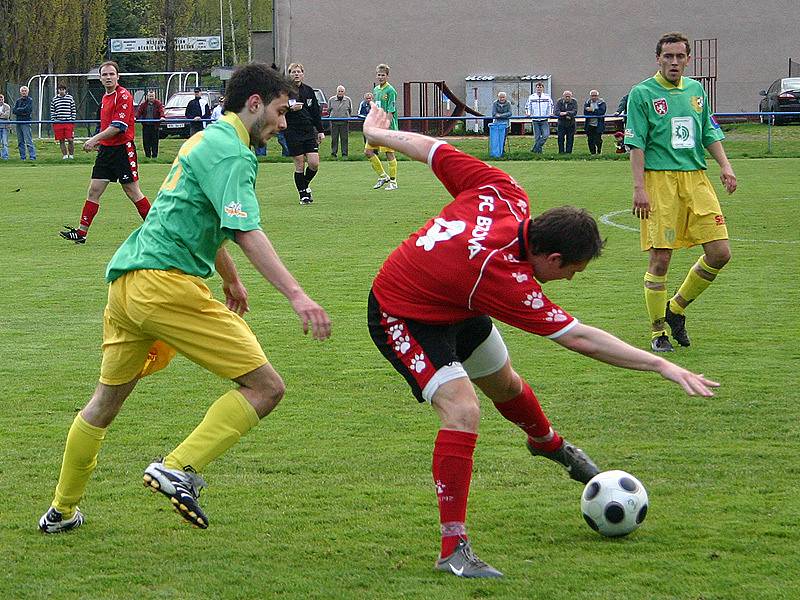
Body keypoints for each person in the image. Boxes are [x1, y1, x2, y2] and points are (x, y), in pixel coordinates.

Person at [363, 102, 720, 578]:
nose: (570, 279)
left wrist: (380, 134)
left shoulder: (505, 191)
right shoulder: (504, 277)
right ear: (551, 257)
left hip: (457, 299)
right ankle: (454, 548)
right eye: (573, 270)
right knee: (463, 410)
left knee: (506, 384)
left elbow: (435, 149)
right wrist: (660, 365)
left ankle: (549, 444)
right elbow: (582, 339)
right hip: (402, 311)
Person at [38, 62, 332, 535]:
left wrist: (231, 279)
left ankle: (61, 510)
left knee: (103, 405)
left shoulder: (205, 138)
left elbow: (196, 214)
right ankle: (178, 466)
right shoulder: (233, 154)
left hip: (127, 283)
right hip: (165, 285)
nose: (283, 123)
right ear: (254, 103)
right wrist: (297, 295)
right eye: (279, 111)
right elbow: (245, 229)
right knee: (266, 388)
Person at [625, 32, 737, 352]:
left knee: (720, 252)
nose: (674, 62)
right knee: (660, 258)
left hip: (696, 179)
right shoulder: (642, 94)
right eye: (668, 57)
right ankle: (657, 332)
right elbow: (635, 144)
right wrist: (639, 187)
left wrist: (726, 166)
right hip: (660, 182)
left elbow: (708, 131)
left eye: (680, 57)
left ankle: (676, 307)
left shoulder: (696, 90)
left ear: (688, 59)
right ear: (658, 58)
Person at [60, 61, 151, 244]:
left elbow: (118, 127)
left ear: (118, 76)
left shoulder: (123, 96)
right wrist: (100, 143)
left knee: (133, 192)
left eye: (111, 74)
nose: (108, 77)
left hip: (122, 150)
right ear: (100, 78)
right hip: (107, 151)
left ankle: (158, 231)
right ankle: (81, 232)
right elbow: (107, 126)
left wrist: (94, 139)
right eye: (104, 75)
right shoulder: (105, 97)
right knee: (94, 190)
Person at [285, 62, 325, 205]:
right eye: (293, 72)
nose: (296, 74)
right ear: (289, 74)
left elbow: (315, 112)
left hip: (308, 130)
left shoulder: (309, 91)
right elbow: (276, 108)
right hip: (292, 130)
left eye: (298, 71)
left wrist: (320, 131)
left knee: (314, 163)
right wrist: (289, 107)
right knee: (300, 163)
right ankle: (303, 195)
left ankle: (304, 184)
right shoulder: (284, 91)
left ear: (303, 74)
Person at [365, 63, 399, 190]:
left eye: (383, 75)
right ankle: (383, 176)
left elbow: (391, 110)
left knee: (389, 154)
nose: (380, 77)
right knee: (368, 151)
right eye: (379, 75)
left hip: (387, 128)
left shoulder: (391, 91)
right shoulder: (376, 90)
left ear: (387, 76)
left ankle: (393, 182)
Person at [135, 90, 165, 159]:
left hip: (155, 126)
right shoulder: (143, 104)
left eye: (152, 96)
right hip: (146, 126)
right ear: (147, 96)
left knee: (155, 142)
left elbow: (161, 111)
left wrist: (162, 117)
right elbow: (139, 112)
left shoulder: (158, 104)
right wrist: (135, 117)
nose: (151, 97)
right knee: (146, 142)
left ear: (154, 96)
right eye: (149, 96)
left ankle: (154, 156)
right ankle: (147, 156)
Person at [524, 81, 553, 153]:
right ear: (536, 88)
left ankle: (534, 149)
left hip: (544, 119)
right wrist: (528, 113)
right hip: (535, 119)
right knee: (537, 137)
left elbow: (551, 106)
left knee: (546, 135)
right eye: (538, 87)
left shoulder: (547, 97)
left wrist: (550, 113)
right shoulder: (531, 97)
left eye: (540, 87)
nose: (539, 89)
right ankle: (539, 153)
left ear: (543, 88)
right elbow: (528, 106)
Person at [50, 84, 77, 159]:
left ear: (65, 90)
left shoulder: (70, 98)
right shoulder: (54, 99)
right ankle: (65, 155)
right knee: (61, 140)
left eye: (63, 89)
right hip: (58, 122)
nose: (61, 91)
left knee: (70, 139)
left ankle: (71, 155)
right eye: (60, 89)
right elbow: (52, 111)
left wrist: (72, 119)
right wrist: (54, 120)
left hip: (68, 122)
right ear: (58, 90)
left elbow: (73, 109)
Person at [328, 85, 352, 158]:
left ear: (344, 92)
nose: (340, 93)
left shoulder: (348, 100)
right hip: (334, 122)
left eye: (342, 91)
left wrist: (346, 116)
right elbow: (329, 110)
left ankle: (344, 154)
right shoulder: (331, 100)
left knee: (344, 139)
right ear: (337, 92)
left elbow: (350, 110)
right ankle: (333, 154)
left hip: (344, 122)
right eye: (339, 91)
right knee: (334, 139)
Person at [13, 85, 37, 160]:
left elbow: (28, 110)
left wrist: (19, 110)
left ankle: (32, 156)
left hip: (26, 122)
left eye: (25, 91)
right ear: (20, 92)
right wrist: (21, 111)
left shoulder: (30, 100)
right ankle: (22, 157)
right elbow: (14, 110)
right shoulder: (18, 101)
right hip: (18, 122)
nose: (24, 92)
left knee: (28, 140)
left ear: (28, 92)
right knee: (20, 141)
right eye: (22, 91)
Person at [583, 89, 607, 154]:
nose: (594, 97)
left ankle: (599, 151)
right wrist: (595, 111)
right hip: (589, 124)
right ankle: (592, 153)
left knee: (598, 140)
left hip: (598, 124)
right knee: (590, 140)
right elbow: (586, 113)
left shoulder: (602, 103)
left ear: (597, 96)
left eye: (595, 96)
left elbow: (601, 112)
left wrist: (593, 110)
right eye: (592, 96)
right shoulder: (587, 102)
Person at [0, 93, 10, 160]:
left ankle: (5, 157)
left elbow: (6, 116)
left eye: (2, 99)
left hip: (5, 127)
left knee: (4, 143)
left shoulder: (7, 106)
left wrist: (1, 115)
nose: (0, 100)